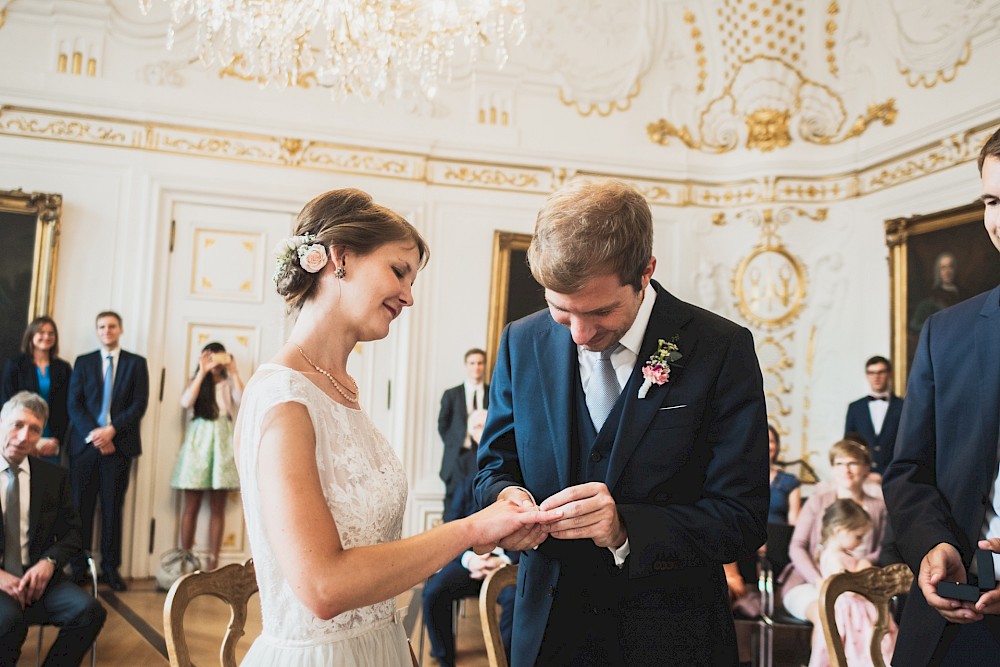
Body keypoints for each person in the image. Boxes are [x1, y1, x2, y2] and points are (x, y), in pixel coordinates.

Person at [234, 188, 559, 666]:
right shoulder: (285, 399)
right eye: (398, 271)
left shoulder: (341, 389)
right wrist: (471, 528)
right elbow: (324, 586)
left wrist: (390, 639)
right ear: (338, 258)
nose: (408, 296)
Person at [474, 177, 770, 666]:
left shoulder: (720, 349)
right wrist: (508, 499)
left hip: (673, 637)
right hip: (546, 633)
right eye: (561, 311)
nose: (580, 335)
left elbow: (743, 518)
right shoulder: (520, 342)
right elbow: (490, 470)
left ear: (646, 271)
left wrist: (627, 528)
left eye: (601, 311)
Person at [882, 128, 1000, 665]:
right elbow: (909, 469)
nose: (999, 220)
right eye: (993, 200)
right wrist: (935, 545)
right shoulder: (945, 333)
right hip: (956, 625)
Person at [0, 391, 106, 665]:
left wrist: (49, 561)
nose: (24, 437)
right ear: (2, 421)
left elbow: (74, 534)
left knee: (89, 611)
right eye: (17, 425)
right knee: (9, 621)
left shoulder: (53, 477)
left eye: (34, 429)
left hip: (39, 581)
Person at [66, 311, 149, 592]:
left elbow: (139, 404)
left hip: (119, 446)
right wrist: (97, 435)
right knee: (81, 508)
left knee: (113, 508)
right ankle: (78, 568)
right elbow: (74, 404)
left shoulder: (137, 364)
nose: (107, 331)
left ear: (120, 330)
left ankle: (111, 569)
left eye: (112, 326)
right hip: (85, 447)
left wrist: (112, 431)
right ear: (97, 331)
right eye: (101, 326)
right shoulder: (84, 362)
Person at [781, 439, 886, 625]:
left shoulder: (879, 507)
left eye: (852, 463)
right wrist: (818, 580)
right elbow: (797, 546)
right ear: (832, 469)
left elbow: (883, 547)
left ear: (866, 469)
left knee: (870, 621)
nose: (845, 469)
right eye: (839, 464)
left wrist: (865, 563)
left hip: (859, 585)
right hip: (811, 582)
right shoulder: (817, 502)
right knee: (826, 617)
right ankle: (824, 655)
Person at [423, 471, 516, 667]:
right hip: (468, 563)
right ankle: (444, 657)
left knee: (517, 600)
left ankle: (505, 659)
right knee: (434, 591)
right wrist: (471, 560)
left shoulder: (521, 486)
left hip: (505, 565)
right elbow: (450, 530)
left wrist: (503, 562)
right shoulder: (467, 484)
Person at [170, 342, 243, 571]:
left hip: (222, 443)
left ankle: (214, 561)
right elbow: (185, 402)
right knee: (190, 504)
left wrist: (234, 371)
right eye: (210, 357)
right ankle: (186, 558)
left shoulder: (228, 381)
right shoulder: (197, 382)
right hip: (198, 443)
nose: (214, 362)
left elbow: (242, 399)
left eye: (218, 357)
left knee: (217, 506)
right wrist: (202, 372)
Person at [807, 499, 895, 667]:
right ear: (839, 530)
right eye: (858, 537)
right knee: (861, 649)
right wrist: (863, 569)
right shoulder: (832, 556)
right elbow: (846, 587)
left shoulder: (843, 554)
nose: (861, 542)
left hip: (857, 607)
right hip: (850, 612)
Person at [0, 317, 73, 466]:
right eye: (41, 332)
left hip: (51, 440)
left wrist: (57, 440)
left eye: (51, 333)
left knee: (46, 483)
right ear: (31, 335)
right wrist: (25, 440)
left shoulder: (63, 368)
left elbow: (67, 407)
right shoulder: (15, 365)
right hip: (19, 437)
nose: (46, 336)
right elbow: (6, 402)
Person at [438, 348, 488, 520]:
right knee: (453, 509)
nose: (476, 367)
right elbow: (443, 425)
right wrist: (457, 443)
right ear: (466, 366)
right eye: (472, 363)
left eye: (480, 363)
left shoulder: (493, 393)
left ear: (484, 365)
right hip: (457, 458)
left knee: (479, 506)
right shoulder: (451, 395)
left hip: (482, 458)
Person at [843, 355, 903, 479]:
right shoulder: (855, 407)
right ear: (867, 375)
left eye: (881, 372)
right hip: (862, 476)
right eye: (871, 373)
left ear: (889, 374)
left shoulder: (904, 406)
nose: (876, 377)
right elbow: (848, 444)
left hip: (895, 475)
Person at [768, 424, 801, 525]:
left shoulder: (790, 481)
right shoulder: (737, 478)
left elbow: (794, 523)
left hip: (779, 538)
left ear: (777, 446)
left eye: (770, 441)